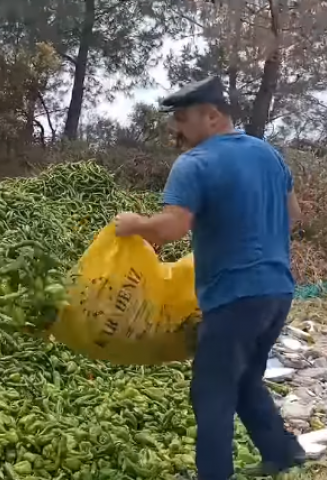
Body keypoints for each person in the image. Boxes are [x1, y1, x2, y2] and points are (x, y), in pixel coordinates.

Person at [114, 76, 305, 480]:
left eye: (181, 119)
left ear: (212, 116)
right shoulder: (269, 154)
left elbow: (171, 228)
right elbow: (293, 218)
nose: (175, 130)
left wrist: (133, 225)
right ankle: (283, 452)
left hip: (234, 296)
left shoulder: (195, 163)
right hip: (278, 289)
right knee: (247, 377)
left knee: (212, 391)